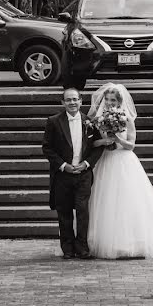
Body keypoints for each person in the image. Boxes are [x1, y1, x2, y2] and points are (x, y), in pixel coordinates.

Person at [86, 83, 153, 259]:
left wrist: (118, 138)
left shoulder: (126, 118)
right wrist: (104, 141)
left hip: (124, 161)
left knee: (127, 200)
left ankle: (129, 243)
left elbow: (131, 145)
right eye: (108, 99)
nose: (110, 103)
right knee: (105, 200)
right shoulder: (99, 120)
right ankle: (102, 241)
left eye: (113, 100)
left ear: (119, 101)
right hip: (106, 160)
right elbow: (93, 144)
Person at [42, 88, 105, 260]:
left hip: (83, 174)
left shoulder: (90, 122)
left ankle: (82, 248)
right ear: (63, 102)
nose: (72, 102)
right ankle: (67, 248)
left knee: (83, 211)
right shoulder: (54, 122)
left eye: (75, 99)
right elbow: (47, 148)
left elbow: (97, 148)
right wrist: (63, 165)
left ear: (80, 101)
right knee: (64, 212)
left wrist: (86, 164)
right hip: (63, 175)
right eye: (68, 100)